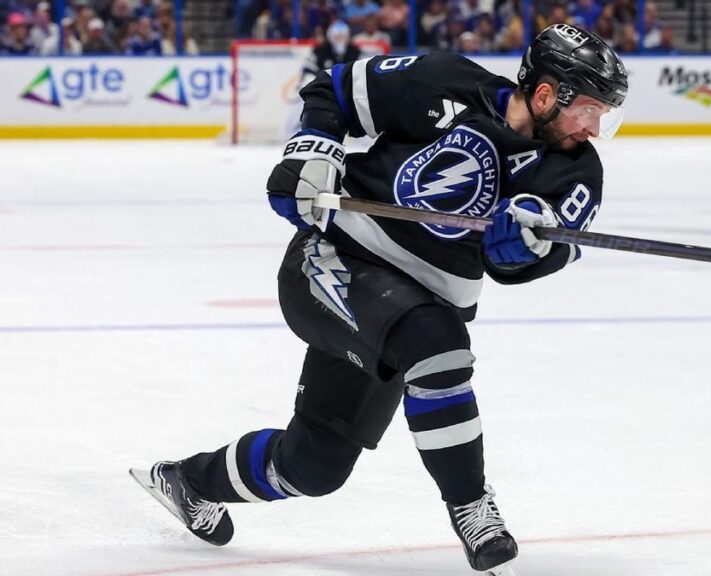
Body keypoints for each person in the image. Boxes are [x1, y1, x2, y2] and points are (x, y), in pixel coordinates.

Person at [131, 23, 627, 576]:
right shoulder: (443, 80)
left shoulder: (576, 171)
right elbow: (333, 90)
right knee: (438, 348)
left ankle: (188, 481)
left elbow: (532, 256)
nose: (595, 127)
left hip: (410, 306)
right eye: (588, 109)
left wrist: (523, 249)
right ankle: (472, 508)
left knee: (314, 466)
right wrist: (310, 154)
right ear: (544, 94)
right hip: (333, 263)